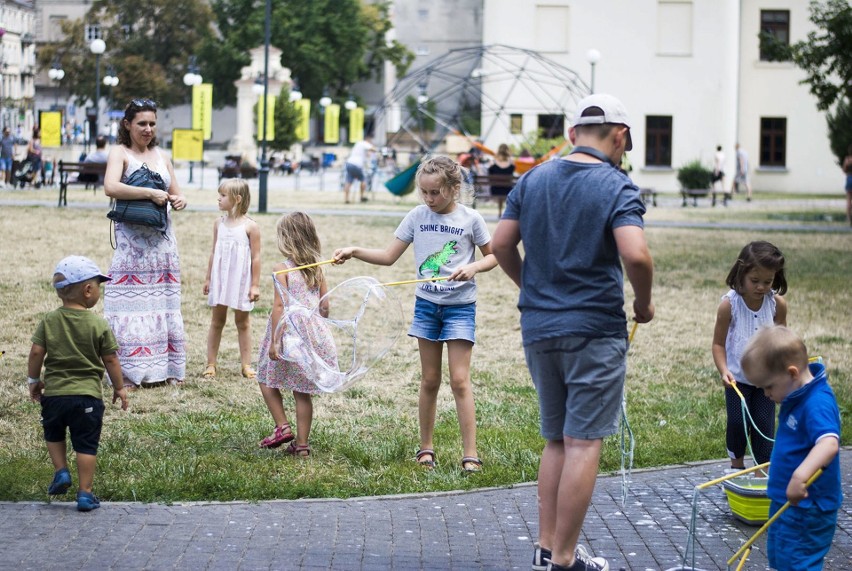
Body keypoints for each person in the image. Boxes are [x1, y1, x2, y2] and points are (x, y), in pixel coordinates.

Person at [492, 93, 655, 571]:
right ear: (620, 136)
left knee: (558, 440)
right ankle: (564, 560)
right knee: (584, 441)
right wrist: (643, 303)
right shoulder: (616, 184)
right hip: (594, 330)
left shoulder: (533, 177)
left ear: (570, 136)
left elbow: (501, 243)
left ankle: (547, 550)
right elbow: (637, 254)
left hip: (539, 327)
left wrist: (532, 287)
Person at [334, 155, 498, 472]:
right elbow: (387, 256)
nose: (429, 198)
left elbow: (493, 257)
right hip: (426, 307)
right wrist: (354, 251)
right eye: (424, 192)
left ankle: (471, 453)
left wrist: (474, 266)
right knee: (430, 380)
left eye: (435, 192)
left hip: (460, 308)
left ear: (454, 188)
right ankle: (426, 449)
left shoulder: (471, 219)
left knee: (460, 381)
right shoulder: (416, 216)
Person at [27, 255, 129, 512]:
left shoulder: (49, 320)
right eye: (98, 287)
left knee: (54, 433)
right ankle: (85, 494)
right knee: (85, 444)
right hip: (87, 398)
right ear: (87, 290)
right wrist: (119, 387)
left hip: (55, 396)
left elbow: (36, 352)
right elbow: (111, 359)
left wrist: (34, 380)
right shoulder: (97, 323)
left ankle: (61, 471)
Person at [740, 326, 842, 571]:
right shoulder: (795, 394)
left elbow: (829, 443)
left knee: (798, 563)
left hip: (808, 508)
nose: (765, 394)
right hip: (786, 502)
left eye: (768, 387)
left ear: (792, 373)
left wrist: (800, 476)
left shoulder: (817, 402)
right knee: (781, 558)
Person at [103, 98, 188, 389]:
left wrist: (179, 200)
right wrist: (149, 194)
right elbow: (110, 187)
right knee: (130, 304)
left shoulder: (162, 156)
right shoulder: (120, 152)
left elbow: (177, 193)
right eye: (142, 123)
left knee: (160, 302)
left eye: (152, 123)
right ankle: (127, 372)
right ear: (127, 124)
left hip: (161, 243)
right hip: (132, 243)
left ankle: (163, 368)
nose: (148, 129)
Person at [256, 212, 334, 456]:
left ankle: (282, 426)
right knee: (302, 391)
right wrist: (318, 324)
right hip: (310, 332)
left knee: (265, 377)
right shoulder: (317, 268)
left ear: (286, 239)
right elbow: (325, 305)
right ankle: (302, 446)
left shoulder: (282, 269)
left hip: (287, 332)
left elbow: (279, 306)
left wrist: (275, 340)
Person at [712, 241, 788, 472]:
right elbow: (718, 344)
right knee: (737, 424)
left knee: (764, 426)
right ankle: (736, 467)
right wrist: (724, 370)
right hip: (737, 381)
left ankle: (762, 472)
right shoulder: (729, 305)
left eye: (768, 281)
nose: (761, 287)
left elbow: (781, 340)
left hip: (767, 381)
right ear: (741, 273)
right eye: (755, 281)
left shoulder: (777, 305)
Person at [202, 179, 261, 379]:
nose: (218, 199)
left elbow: (256, 257)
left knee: (242, 322)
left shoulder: (250, 227)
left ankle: (246, 364)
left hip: (241, 281)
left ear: (237, 199)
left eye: (223, 195)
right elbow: (213, 252)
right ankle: (211, 363)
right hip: (221, 279)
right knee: (217, 321)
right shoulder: (218, 224)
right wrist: (209, 278)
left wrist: (254, 285)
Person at [343, 134, 375, 204]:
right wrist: (375, 149)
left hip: (349, 163)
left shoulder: (358, 144)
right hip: (356, 165)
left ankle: (346, 199)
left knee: (348, 181)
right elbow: (372, 149)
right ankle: (362, 197)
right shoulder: (364, 143)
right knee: (363, 180)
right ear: (368, 140)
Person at [487, 143, 515, 217]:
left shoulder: (493, 162)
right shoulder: (511, 162)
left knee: (499, 187)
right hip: (507, 189)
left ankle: (499, 212)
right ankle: (505, 212)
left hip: (495, 189)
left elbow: (489, 175)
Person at [843, 144, 852, 226]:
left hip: (849, 178)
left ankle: (849, 218)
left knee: (849, 200)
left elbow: (844, 170)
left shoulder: (847, 159)